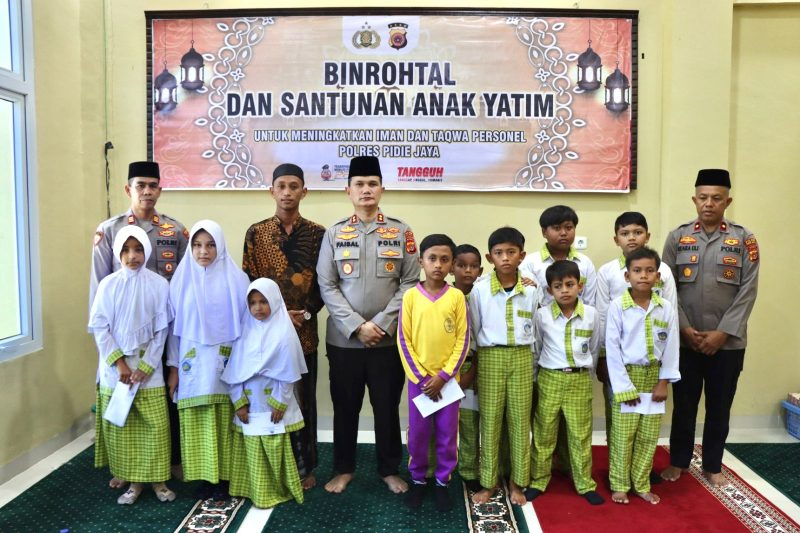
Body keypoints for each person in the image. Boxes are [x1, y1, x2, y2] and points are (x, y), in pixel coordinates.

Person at [316, 156, 420, 494]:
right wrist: (357, 326)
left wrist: (381, 324)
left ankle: (388, 469)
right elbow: (327, 284)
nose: (366, 190)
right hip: (344, 340)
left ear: (382, 189)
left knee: (386, 407)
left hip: (387, 341)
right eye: (359, 184)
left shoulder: (401, 231)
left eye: (372, 184)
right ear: (348, 191)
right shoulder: (334, 233)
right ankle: (344, 468)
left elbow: (410, 282)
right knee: (345, 406)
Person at [89, 161, 188, 487]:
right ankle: (125, 466)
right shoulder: (110, 230)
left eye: (152, 185)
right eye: (140, 185)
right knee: (124, 397)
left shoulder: (175, 231)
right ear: (128, 189)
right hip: (120, 335)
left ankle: (169, 461)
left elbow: (184, 285)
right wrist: (108, 352)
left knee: (166, 397)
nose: (147, 191)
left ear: (160, 189)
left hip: (164, 330)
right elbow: (99, 289)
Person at [660, 169, 760, 487]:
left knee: (719, 407)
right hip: (686, 341)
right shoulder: (677, 237)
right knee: (684, 406)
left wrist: (722, 333)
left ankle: (713, 465)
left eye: (716, 198)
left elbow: (748, 291)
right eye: (703, 197)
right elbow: (666, 288)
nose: (709, 203)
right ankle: (678, 462)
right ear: (694, 199)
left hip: (727, 344)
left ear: (727, 202)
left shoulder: (744, 239)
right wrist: (684, 328)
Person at [241, 163, 325, 490]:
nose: (287, 192)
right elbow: (250, 282)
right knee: (266, 399)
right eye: (281, 186)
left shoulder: (318, 234)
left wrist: (305, 313)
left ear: (304, 191)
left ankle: (305, 468)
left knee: (303, 401)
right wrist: (277, 315)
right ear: (272, 191)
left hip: (304, 333)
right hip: (266, 335)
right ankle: (270, 463)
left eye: (294, 186)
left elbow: (325, 283)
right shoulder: (256, 233)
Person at [89, 226, 175, 504]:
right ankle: (133, 481)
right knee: (124, 430)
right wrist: (120, 365)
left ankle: (158, 481)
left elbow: (162, 330)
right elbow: (100, 327)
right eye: (125, 250)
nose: (132, 256)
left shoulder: (159, 285)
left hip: (148, 371)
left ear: (147, 251)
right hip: (118, 372)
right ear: (117, 252)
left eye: (138, 249)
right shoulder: (108, 285)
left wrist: (147, 366)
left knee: (155, 428)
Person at [167, 220, 250, 498]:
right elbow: (173, 331)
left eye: (211, 245)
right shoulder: (181, 281)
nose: (204, 251)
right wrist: (174, 368)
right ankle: (205, 477)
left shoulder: (237, 280)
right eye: (198, 245)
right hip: (192, 365)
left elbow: (246, 327)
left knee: (225, 420)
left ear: (221, 247)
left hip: (226, 363)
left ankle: (226, 478)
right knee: (198, 420)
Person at [595, 211, 677, 484]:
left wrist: (664, 380)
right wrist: (605, 362)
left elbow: (671, 335)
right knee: (621, 427)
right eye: (625, 233)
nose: (632, 238)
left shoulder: (664, 283)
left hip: (653, 370)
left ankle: (640, 478)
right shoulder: (609, 275)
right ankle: (619, 478)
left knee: (648, 431)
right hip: (622, 367)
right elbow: (604, 321)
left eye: (638, 232)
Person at [221, 278, 308, 508]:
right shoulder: (243, 333)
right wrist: (239, 402)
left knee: (274, 444)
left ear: (275, 301)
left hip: (272, 406)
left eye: (263, 301)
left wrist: (280, 402)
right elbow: (234, 371)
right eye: (252, 303)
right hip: (249, 404)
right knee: (250, 445)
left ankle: (276, 488)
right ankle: (253, 489)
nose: (258, 307)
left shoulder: (284, 333)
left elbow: (288, 373)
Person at [398, 234, 470, 512]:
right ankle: (418, 479)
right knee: (418, 433)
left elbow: (462, 340)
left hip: (448, 383)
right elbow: (404, 341)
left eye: (444, 259)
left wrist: (444, 376)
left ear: (452, 265)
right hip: (419, 383)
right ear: (421, 261)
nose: (438, 265)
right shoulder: (410, 297)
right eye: (432, 258)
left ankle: (442, 482)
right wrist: (422, 378)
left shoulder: (456, 297)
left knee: (447, 434)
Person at [468, 227, 539, 506]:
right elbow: (475, 329)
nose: (505, 258)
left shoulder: (531, 290)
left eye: (511, 252)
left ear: (522, 255)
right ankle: (489, 481)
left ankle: (517, 481)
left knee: (520, 422)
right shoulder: (480, 289)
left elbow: (537, 328)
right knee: (490, 421)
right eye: (499, 253)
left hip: (522, 357)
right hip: (490, 357)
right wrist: (475, 367)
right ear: (490, 257)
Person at [605, 247, 680, 505]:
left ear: (658, 276)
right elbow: (612, 349)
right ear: (627, 276)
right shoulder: (617, 307)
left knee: (648, 436)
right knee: (623, 435)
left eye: (649, 271)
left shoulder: (665, 308)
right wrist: (623, 386)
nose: (644, 276)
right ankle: (620, 485)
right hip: (627, 376)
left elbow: (671, 347)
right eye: (637, 271)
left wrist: (663, 382)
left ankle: (641, 484)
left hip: (654, 377)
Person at [527, 260, 604, 505]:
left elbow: (594, 347)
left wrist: (586, 373)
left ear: (580, 286)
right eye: (558, 286)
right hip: (550, 378)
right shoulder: (542, 316)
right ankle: (538, 480)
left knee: (580, 434)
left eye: (570, 284)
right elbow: (537, 348)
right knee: (544, 432)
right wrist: (538, 379)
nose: (564, 290)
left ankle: (584, 484)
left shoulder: (591, 315)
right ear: (549, 290)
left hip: (579, 380)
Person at [451, 244, 484, 492]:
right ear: (452, 268)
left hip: (477, 363)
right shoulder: (446, 296)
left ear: (480, 270)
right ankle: (437, 468)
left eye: (473, 266)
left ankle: (470, 470)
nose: (468, 271)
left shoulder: (484, 295)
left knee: (471, 423)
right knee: (446, 423)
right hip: (451, 368)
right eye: (461, 265)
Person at [520, 205, 597, 306]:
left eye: (568, 227)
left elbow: (590, 301)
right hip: (540, 315)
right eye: (557, 228)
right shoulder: (530, 263)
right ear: (544, 232)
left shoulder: (585, 262)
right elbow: (526, 299)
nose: (563, 233)